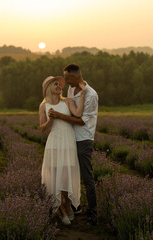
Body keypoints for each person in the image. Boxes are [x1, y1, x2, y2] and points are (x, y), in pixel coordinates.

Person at [48, 63, 99, 226]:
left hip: (83, 139)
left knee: (86, 177)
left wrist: (59, 116)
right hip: (69, 139)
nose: (65, 81)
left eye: (67, 78)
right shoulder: (71, 89)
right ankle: (73, 207)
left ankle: (93, 212)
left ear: (76, 77)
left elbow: (81, 121)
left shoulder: (91, 94)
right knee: (68, 175)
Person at [39, 75, 86, 225]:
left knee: (65, 176)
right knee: (55, 177)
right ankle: (60, 208)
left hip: (68, 142)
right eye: (56, 85)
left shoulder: (67, 101)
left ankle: (66, 204)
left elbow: (78, 114)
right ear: (48, 89)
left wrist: (83, 94)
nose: (59, 86)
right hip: (54, 143)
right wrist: (51, 119)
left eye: (60, 85)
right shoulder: (43, 106)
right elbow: (42, 129)